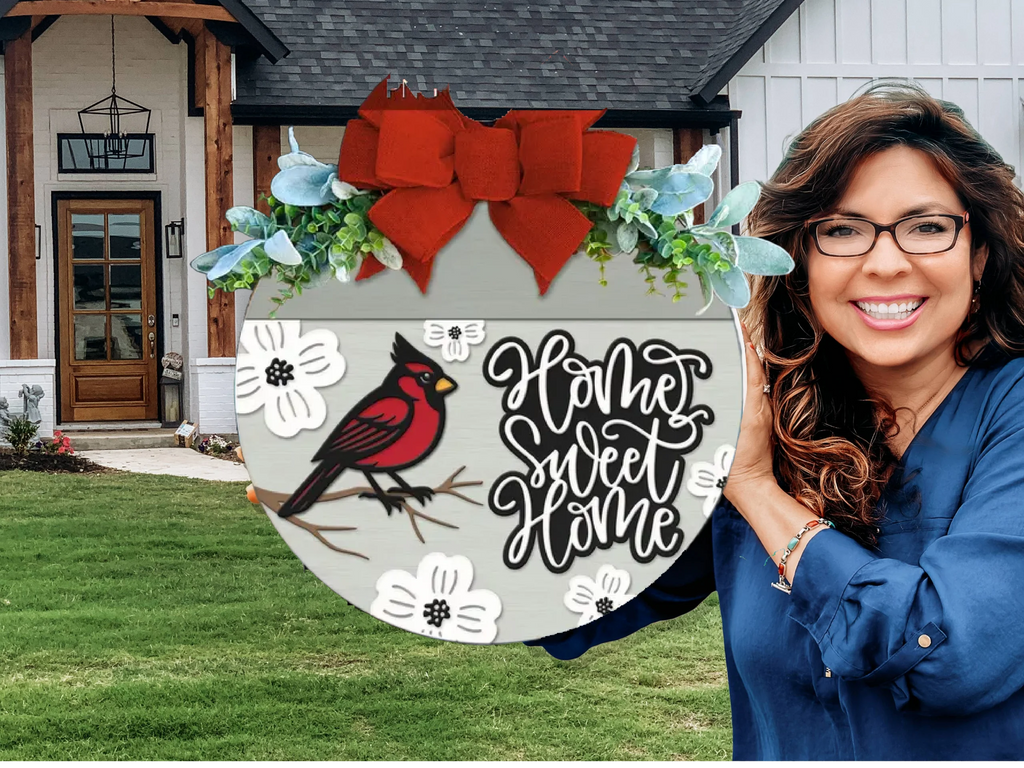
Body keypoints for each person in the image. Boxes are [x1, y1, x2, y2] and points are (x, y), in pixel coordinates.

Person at [527, 82, 1024, 762]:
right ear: (800, 262)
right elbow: (569, 598)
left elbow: (951, 656)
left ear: (980, 254)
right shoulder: (767, 417)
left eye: (928, 227)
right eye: (842, 230)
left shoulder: (1007, 414)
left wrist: (757, 489)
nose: (885, 263)